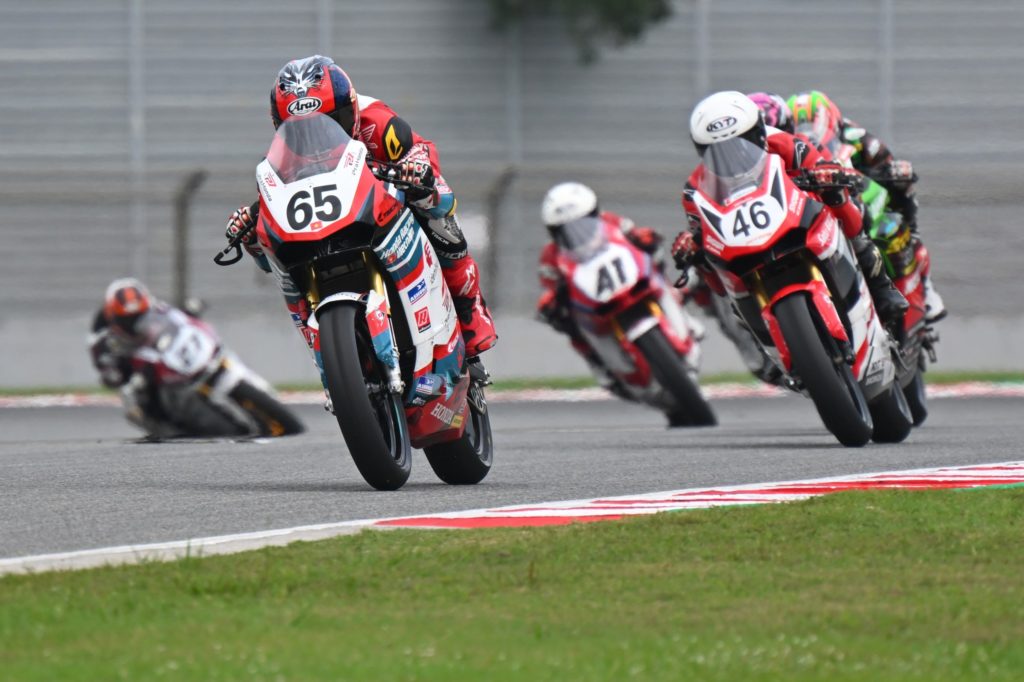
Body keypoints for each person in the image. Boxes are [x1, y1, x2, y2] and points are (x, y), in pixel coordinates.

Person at [225, 55, 497, 404]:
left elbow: (423, 157)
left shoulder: (377, 124)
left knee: (441, 219)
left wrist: (416, 169)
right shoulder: (282, 155)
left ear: (350, 109)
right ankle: (336, 365)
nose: (314, 135)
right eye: (298, 127)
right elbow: (273, 237)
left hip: (386, 197)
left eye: (330, 122)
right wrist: (253, 230)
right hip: (330, 225)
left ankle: (470, 329)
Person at [672, 90, 909, 330]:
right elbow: (700, 232)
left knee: (840, 196)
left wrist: (827, 174)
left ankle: (881, 285)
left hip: (797, 210)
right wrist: (693, 247)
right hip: (746, 240)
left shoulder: (782, 141)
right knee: (707, 262)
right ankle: (759, 333)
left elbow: (819, 163)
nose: (736, 155)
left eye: (744, 142)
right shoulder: (694, 189)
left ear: (759, 132)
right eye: (720, 151)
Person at [787, 90, 945, 322]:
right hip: (813, 210)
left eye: (812, 124)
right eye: (801, 126)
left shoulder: (857, 137)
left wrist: (894, 172)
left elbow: (888, 163)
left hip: (856, 200)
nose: (808, 130)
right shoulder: (788, 147)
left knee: (896, 224)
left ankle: (925, 287)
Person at [536, 181, 666, 394]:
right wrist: (550, 302)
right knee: (568, 323)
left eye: (584, 221)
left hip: (629, 277)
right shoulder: (551, 255)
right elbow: (549, 285)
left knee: (657, 262)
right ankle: (597, 362)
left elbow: (635, 235)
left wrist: (645, 238)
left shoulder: (612, 221)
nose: (577, 231)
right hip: (591, 299)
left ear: (594, 213)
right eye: (564, 230)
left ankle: (678, 309)